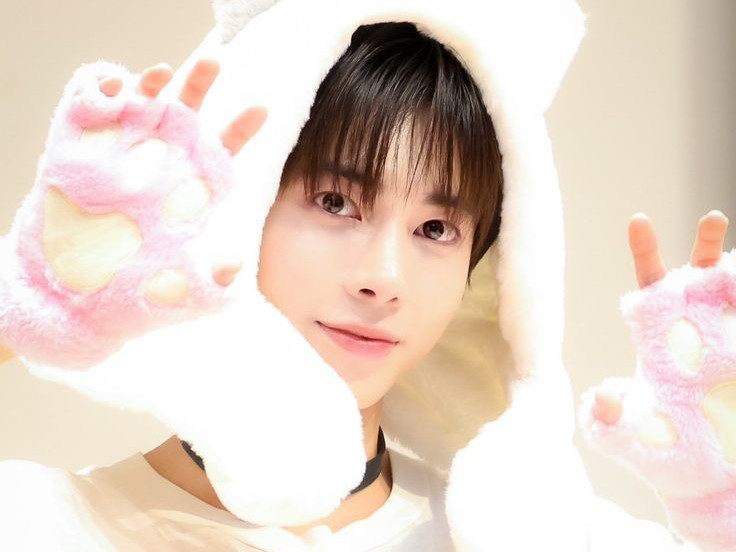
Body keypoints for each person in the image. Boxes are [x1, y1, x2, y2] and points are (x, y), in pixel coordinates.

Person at [0, 1, 732, 551]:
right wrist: (20, 313)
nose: (384, 278)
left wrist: (717, 506)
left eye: (435, 230)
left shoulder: (547, 539)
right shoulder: (43, 522)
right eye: (335, 203)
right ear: (240, 206)